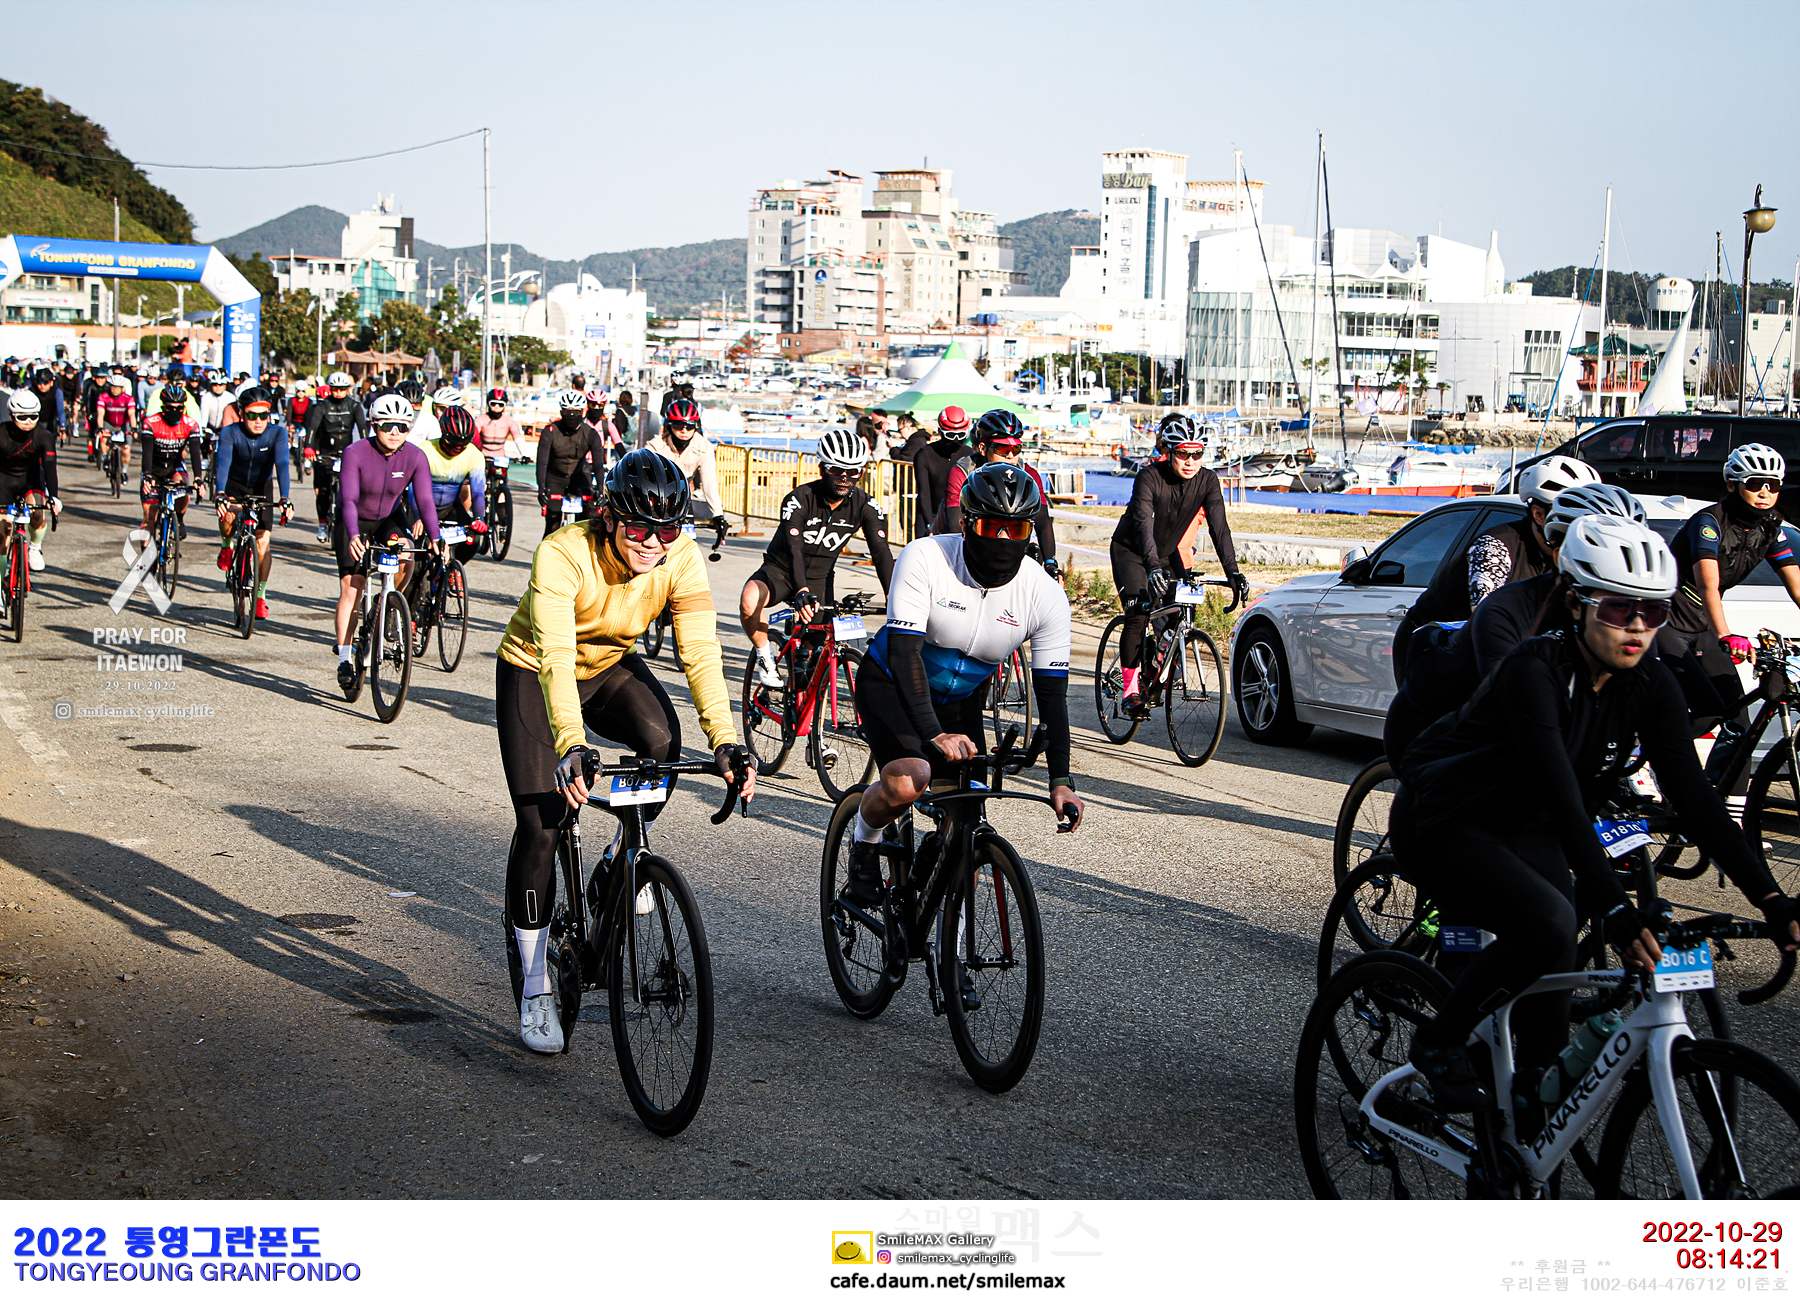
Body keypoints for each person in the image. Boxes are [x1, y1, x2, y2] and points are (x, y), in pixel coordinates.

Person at [1393, 515, 1800, 1111]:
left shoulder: (1649, 682)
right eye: (1617, 608)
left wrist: (1770, 898)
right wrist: (1616, 910)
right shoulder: (1534, 670)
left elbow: (1695, 798)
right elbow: (1561, 797)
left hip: (1527, 824)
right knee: (1549, 923)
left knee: (1552, 990)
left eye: (1653, 611)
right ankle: (1439, 1041)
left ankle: (1526, 1111)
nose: (1637, 626)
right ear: (1576, 603)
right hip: (1446, 819)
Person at [495, 448, 756, 1053]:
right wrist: (573, 745)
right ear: (610, 517)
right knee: (542, 822)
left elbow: (701, 653)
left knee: (663, 745)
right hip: (535, 672)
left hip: (610, 666)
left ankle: (619, 863)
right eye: (639, 528)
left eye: (667, 530)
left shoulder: (680, 556)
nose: (652, 543)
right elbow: (556, 658)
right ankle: (534, 986)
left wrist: (725, 739)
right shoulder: (564, 552)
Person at [844, 462, 1082, 907]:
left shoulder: (1044, 594)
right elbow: (905, 654)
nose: (1004, 539)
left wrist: (1061, 779)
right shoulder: (926, 556)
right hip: (893, 684)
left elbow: (1053, 696)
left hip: (960, 700)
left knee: (967, 824)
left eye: (1017, 529)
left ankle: (947, 942)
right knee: (910, 781)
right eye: (992, 526)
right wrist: (933, 734)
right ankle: (864, 841)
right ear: (968, 523)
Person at [1383, 482, 1647, 764]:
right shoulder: (1496, 551)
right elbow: (1486, 616)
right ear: (1540, 517)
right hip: (1439, 668)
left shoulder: (1605, 601)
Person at [1394, 453, 1602, 684]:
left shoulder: (1567, 558)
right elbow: (1488, 621)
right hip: (1432, 650)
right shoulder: (1494, 547)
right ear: (1538, 514)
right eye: (1570, 517)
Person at [1109, 414, 1249, 716]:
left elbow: (1219, 528)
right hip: (1131, 551)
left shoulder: (1208, 480)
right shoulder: (1149, 477)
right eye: (1183, 454)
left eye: (1197, 454)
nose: (1190, 461)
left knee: (1181, 614)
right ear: (1170, 451)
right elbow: (1143, 525)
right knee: (1138, 613)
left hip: (1167, 554)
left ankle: (1153, 667)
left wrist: (1233, 572)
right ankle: (1130, 691)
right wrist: (1152, 568)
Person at [1659, 443, 1800, 733]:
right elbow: (1707, 586)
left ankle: (1711, 768)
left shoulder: (1770, 529)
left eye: (1773, 485)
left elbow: (1797, 588)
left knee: (1738, 720)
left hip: (1703, 625)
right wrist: (1726, 634)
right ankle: (1643, 752)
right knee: (1708, 711)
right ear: (1732, 485)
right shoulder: (1709, 522)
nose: (1764, 493)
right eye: (1755, 484)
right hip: (1667, 621)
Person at [740, 427, 895, 687]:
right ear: (822, 467)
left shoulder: (866, 505)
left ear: (862, 472)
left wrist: (892, 595)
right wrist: (800, 590)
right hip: (781, 571)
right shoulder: (799, 499)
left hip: (821, 578)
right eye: (836, 470)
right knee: (749, 599)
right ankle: (765, 656)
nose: (844, 478)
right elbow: (794, 549)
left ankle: (807, 697)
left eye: (853, 472)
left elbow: (881, 552)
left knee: (815, 651)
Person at [333, 394, 442, 688]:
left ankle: (387, 601)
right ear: (374, 425)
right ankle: (344, 657)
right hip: (353, 519)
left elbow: (425, 501)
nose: (395, 433)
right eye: (387, 426)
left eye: (402, 427)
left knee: (407, 553)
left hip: (388, 519)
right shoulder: (355, 452)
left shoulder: (415, 456)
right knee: (353, 587)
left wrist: (436, 537)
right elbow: (349, 499)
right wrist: (353, 535)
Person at [933, 409, 1059, 576]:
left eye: (1016, 449)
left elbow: (1042, 521)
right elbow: (955, 525)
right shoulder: (962, 472)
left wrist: (1050, 564)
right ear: (983, 448)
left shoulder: (1029, 474)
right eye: (1002, 449)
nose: (1010, 456)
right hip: (964, 542)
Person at [212, 387, 293, 621]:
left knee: (263, 543)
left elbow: (282, 464)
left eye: (263, 415)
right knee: (228, 517)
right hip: (234, 485)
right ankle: (227, 545)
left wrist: (285, 498)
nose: (258, 421)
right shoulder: (230, 432)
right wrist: (220, 493)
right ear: (241, 414)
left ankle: (260, 597)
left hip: (262, 487)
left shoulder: (277, 433)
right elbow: (223, 463)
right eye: (252, 415)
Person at [418, 404, 489, 569]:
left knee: (472, 540)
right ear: (442, 433)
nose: (458, 449)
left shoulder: (474, 454)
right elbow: (415, 491)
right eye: (453, 443)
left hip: (450, 507)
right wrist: (417, 517)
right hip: (423, 506)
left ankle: (452, 570)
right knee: (415, 557)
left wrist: (479, 518)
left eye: (463, 444)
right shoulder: (425, 450)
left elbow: (478, 492)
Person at [303, 371, 370, 544]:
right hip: (326, 452)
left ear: (348, 389)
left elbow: (363, 429)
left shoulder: (354, 406)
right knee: (323, 490)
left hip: (347, 452)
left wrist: (367, 449)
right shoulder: (322, 406)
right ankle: (322, 524)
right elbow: (312, 428)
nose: (338, 392)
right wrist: (309, 447)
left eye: (342, 389)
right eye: (335, 389)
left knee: (353, 490)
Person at [0, 390, 59, 571]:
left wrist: (54, 497)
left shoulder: (44, 436)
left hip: (31, 479)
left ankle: (35, 547)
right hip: (4, 480)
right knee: (2, 536)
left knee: (38, 513)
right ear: (11, 416)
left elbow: (49, 466)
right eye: (22, 417)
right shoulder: (1, 433)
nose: (28, 422)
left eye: (33, 417)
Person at [644, 397, 727, 526]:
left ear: (696, 426)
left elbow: (709, 483)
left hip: (683, 497)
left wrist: (718, 515)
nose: (684, 430)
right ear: (669, 425)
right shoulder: (654, 448)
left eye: (690, 426)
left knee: (688, 536)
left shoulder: (704, 447)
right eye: (678, 425)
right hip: (657, 497)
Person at [537, 389, 611, 526]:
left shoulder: (590, 434)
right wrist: (541, 488)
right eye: (567, 412)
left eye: (576, 412)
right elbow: (542, 463)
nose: (572, 416)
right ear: (561, 412)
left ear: (582, 412)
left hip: (579, 476)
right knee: (552, 525)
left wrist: (601, 491)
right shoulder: (550, 432)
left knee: (587, 522)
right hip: (555, 478)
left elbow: (598, 464)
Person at [137, 386, 199, 542]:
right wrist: (147, 475)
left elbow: (195, 453)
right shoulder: (151, 423)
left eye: (179, 408)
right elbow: (147, 453)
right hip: (154, 468)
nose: (175, 411)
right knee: (150, 516)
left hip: (174, 467)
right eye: (170, 407)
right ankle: (148, 554)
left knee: (184, 489)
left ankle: (179, 518)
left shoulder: (190, 424)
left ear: (184, 408)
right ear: (163, 407)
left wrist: (198, 478)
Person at [910, 406, 971, 537]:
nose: (955, 440)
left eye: (961, 435)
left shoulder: (970, 454)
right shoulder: (924, 454)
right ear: (940, 432)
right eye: (950, 435)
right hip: (930, 513)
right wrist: (930, 524)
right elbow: (924, 493)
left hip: (959, 514)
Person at [474, 387, 528, 464]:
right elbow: (473, 437)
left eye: (500, 404)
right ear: (488, 404)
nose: (497, 407)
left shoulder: (509, 420)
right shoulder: (481, 419)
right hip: (482, 458)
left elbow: (517, 438)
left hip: (501, 459)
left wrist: (524, 455)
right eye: (493, 404)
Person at [95, 372, 137, 468]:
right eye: (113, 387)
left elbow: (131, 414)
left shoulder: (128, 398)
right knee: (104, 439)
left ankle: (124, 471)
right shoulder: (103, 397)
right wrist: (100, 427)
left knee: (126, 449)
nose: (114, 390)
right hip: (109, 423)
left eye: (117, 387)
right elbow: (100, 414)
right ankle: (105, 457)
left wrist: (134, 428)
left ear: (122, 388)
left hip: (124, 424)